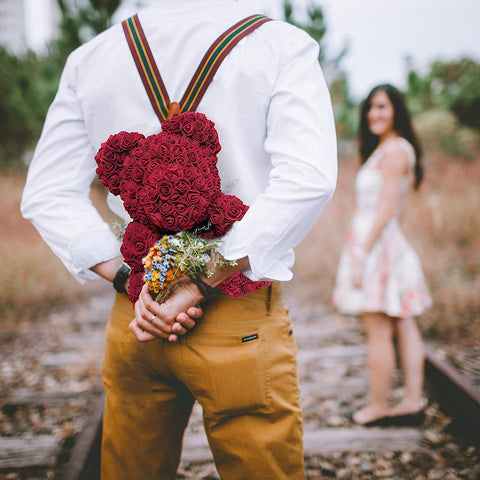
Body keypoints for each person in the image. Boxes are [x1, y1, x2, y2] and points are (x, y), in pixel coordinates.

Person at [21, 1, 337, 478]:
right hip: (237, 309)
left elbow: (46, 192)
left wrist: (130, 277)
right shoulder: (279, 44)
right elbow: (308, 179)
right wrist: (200, 281)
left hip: (138, 312)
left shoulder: (91, 57)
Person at [333, 83, 432, 427]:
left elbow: (387, 208)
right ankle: (410, 401)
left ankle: (378, 406)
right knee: (403, 323)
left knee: (378, 330)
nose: (374, 114)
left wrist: (361, 253)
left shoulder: (394, 152)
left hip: (376, 248)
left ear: (396, 112)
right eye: (370, 108)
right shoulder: (390, 149)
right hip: (384, 243)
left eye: (382, 107)